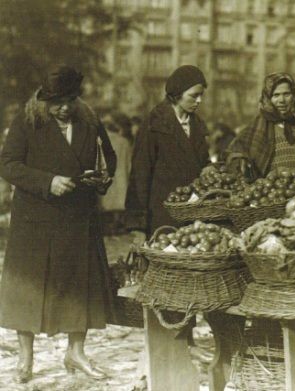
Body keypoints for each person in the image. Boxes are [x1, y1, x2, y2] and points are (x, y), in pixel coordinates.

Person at [0, 65, 117, 383]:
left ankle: (75, 352)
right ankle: (25, 358)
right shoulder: (27, 122)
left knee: (80, 286)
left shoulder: (88, 120)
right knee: (29, 289)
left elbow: (108, 155)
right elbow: (8, 164)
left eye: (70, 100)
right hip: (35, 218)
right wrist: (47, 181)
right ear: (43, 99)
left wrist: (103, 178)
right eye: (56, 102)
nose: (64, 107)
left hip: (78, 216)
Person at [125, 65, 210, 237]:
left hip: (193, 213)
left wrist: (208, 167)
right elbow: (140, 176)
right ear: (177, 94)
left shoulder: (198, 125)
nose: (199, 101)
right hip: (161, 215)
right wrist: (138, 226)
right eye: (194, 96)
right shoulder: (154, 124)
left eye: (201, 95)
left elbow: (202, 161)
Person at [226, 72, 295, 179]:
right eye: (276, 95)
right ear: (268, 98)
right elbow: (236, 149)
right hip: (273, 189)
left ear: (294, 96)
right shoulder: (259, 125)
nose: (282, 100)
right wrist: (240, 160)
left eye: (286, 94)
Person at [99, 113, 133, 234]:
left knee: (106, 200)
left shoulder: (99, 142)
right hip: (121, 174)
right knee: (119, 200)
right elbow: (129, 161)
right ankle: (118, 225)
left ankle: (107, 227)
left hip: (106, 173)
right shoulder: (123, 141)